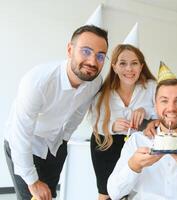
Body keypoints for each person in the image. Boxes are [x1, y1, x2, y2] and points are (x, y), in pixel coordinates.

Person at [4, 24, 108, 200]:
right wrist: (33, 181)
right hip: (25, 145)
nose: (92, 62)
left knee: (49, 196)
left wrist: (64, 139)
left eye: (100, 56)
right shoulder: (38, 82)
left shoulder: (95, 82)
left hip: (55, 146)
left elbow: (79, 111)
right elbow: (20, 133)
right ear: (70, 49)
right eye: (86, 51)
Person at [90, 43, 157, 200]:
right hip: (107, 144)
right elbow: (95, 123)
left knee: (133, 191)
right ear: (114, 67)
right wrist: (112, 125)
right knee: (107, 193)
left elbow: (164, 111)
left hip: (138, 145)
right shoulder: (103, 94)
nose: (129, 69)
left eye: (134, 63)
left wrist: (146, 111)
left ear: (141, 66)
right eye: (122, 63)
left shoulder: (152, 88)